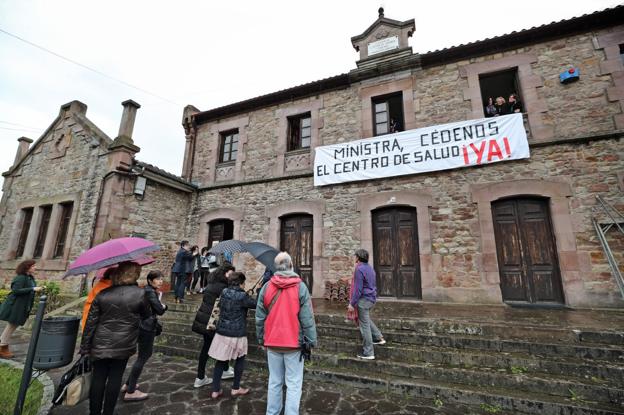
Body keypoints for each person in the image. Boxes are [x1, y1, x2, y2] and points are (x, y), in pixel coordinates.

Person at [80, 261, 150, 415]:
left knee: (98, 378)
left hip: (100, 342)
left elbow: (91, 323)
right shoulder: (140, 294)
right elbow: (147, 317)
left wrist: (85, 348)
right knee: (115, 378)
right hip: (124, 343)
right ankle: (108, 412)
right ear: (135, 275)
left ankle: (94, 412)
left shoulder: (103, 294)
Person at [256, 252, 317, 415]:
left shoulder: (267, 287)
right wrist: (311, 340)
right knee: (294, 383)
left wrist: (261, 338)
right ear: (291, 265)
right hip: (293, 344)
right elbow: (307, 318)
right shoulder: (300, 287)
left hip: (272, 341)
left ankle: (272, 413)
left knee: (275, 381)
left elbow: (260, 317)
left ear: (276, 267)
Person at [208, 271, 256, 399]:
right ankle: (235, 388)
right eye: (243, 282)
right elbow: (255, 304)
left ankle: (215, 390)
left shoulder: (224, 292)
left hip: (222, 332)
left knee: (220, 360)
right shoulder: (242, 295)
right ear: (241, 283)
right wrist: (250, 295)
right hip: (237, 332)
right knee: (240, 358)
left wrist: (246, 295)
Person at [122, 270, 168, 401]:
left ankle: (128, 384)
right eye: (158, 279)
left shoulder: (148, 290)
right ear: (150, 280)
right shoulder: (150, 292)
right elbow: (159, 310)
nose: (160, 281)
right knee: (143, 356)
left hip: (143, 325)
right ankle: (130, 391)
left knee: (143, 356)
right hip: (146, 327)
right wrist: (164, 306)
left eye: (161, 279)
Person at [191, 261, 236, 388]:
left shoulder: (212, 284)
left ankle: (201, 376)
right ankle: (223, 371)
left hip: (205, 320)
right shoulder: (223, 287)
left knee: (206, 348)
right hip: (213, 322)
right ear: (225, 273)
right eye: (231, 273)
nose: (232, 275)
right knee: (222, 345)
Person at [0, 260, 43, 358]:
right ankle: (2, 348)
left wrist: (37, 289)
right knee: (12, 325)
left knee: (12, 326)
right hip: (15, 306)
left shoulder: (30, 278)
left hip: (22, 306)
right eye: (33, 266)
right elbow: (16, 291)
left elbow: (29, 290)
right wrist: (32, 289)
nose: (35, 267)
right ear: (27, 267)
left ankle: (3, 346)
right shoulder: (21, 278)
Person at [348, 249, 385, 360]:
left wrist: (352, 303)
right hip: (371, 298)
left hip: (363, 300)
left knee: (364, 326)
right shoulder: (370, 268)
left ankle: (368, 352)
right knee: (366, 319)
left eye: (355, 256)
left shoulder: (359, 269)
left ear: (358, 257)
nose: (354, 258)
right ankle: (378, 337)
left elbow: (357, 289)